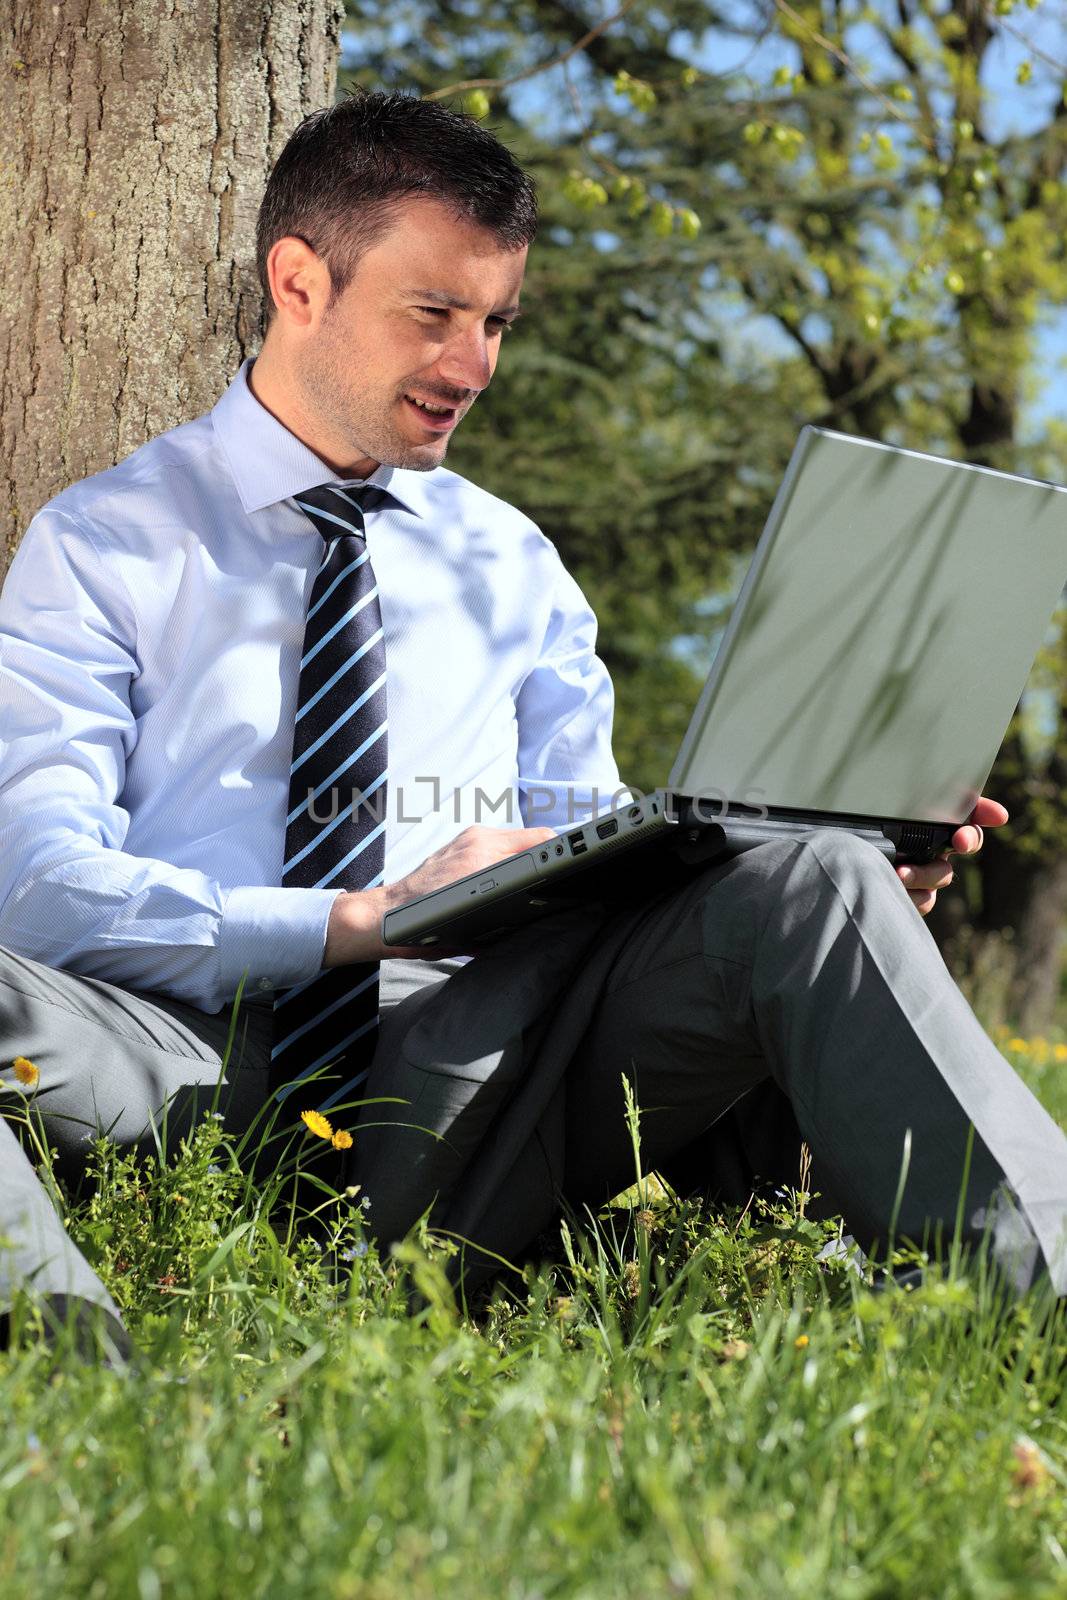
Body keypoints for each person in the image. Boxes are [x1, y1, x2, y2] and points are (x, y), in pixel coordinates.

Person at [0, 93, 1063, 1354]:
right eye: (433, 313)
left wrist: (844, 876)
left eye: (496, 320)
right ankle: (71, 1368)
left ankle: (1038, 1318)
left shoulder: (512, 563)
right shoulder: (105, 543)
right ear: (298, 281)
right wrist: (353, 925)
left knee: (816, 877)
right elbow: (35, 889)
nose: (472, 364)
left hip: (479, 1074)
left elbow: (588, 859)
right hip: (180, 1063)